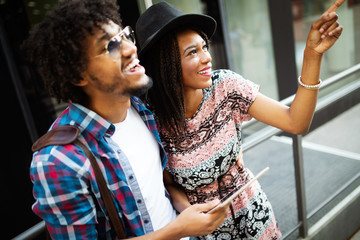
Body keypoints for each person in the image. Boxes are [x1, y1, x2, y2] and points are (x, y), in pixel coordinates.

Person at [136, 1, 344, 239]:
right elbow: (169, 184)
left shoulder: (225, 86)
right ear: (165, 65)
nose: (207, 58)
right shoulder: (153, 118)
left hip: (255, 214)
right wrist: (189, 212)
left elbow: (296, 122)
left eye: (204, 47)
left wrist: (312, 55)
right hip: (208, 231)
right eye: (192, 52)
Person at [23, 0, 230, 239]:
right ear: (78, 74)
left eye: (125, 35)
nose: (131, 48)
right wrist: (179, 229)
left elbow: (156, 188)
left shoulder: (142, 109)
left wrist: (188, 212)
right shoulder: (57, 161)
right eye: (110, 45)